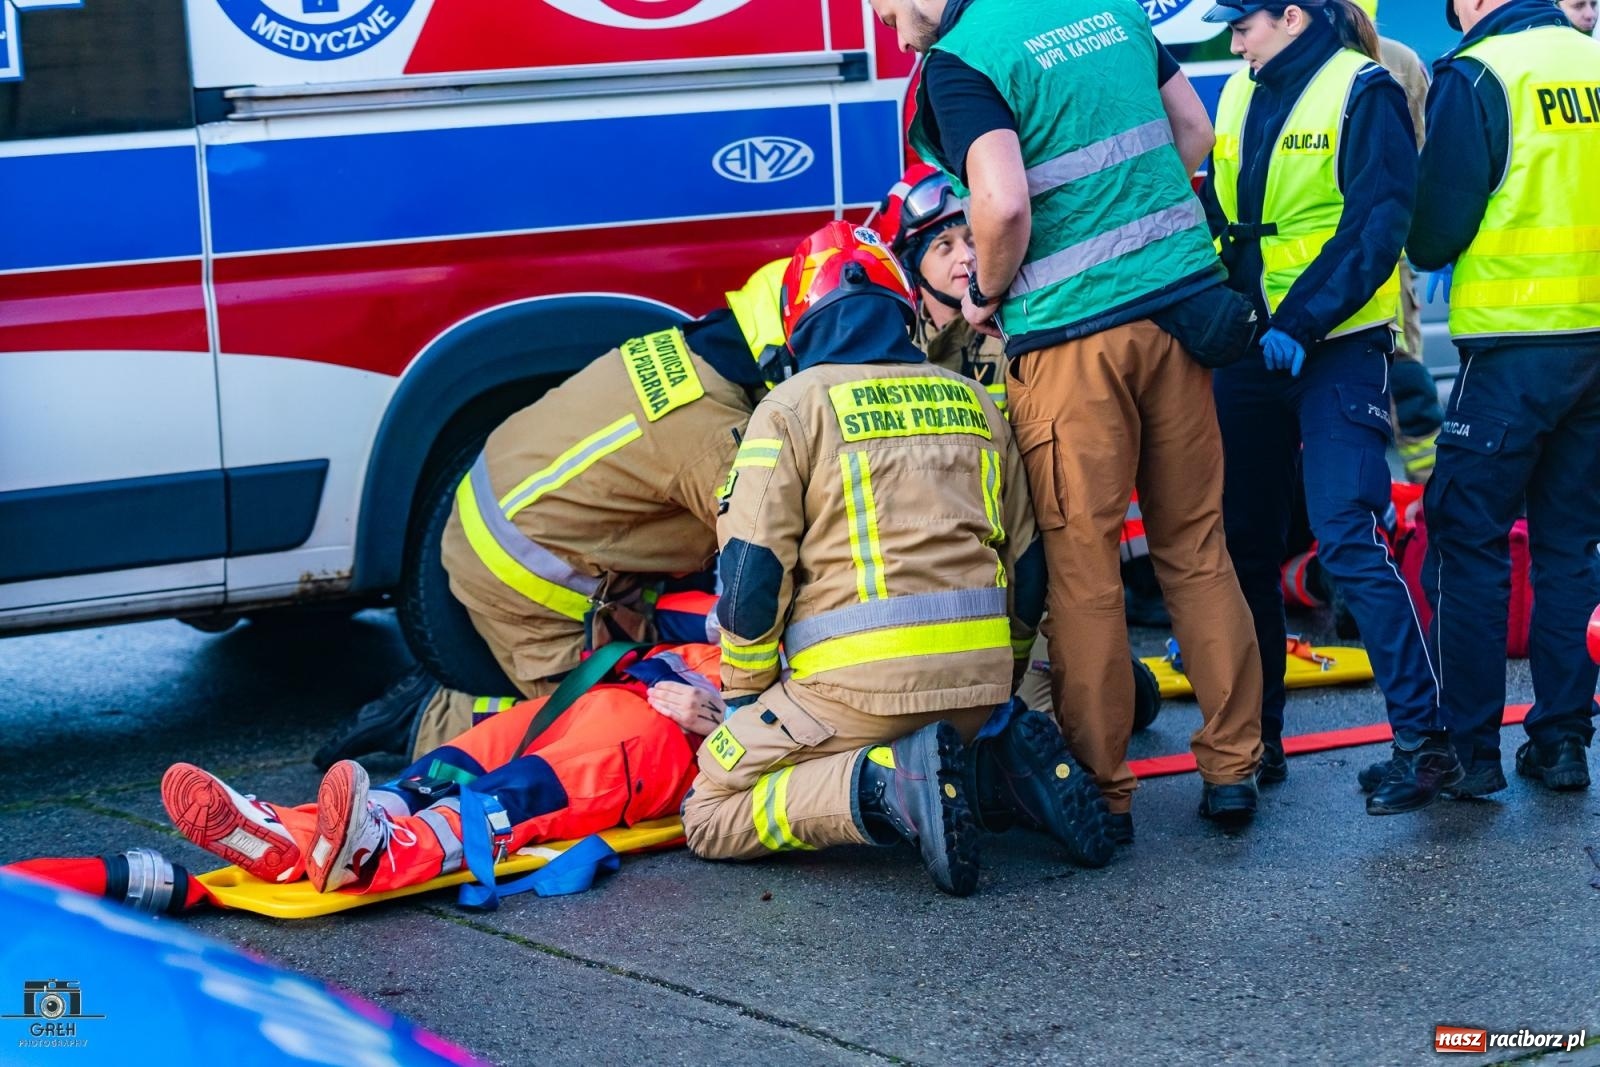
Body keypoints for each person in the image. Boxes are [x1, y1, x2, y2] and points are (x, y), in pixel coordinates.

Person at [876, 0, 1265, 837]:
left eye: (882, 7)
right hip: (1178, 315)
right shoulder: (1112, 9)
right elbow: (1193, 130)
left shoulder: (963, 59)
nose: (889, 28)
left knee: (1085, 572)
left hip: (1068, 340)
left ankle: (1104, 790)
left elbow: (1003, 204)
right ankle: (1235, 766)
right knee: (1197, 549)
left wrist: (984, 295)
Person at [681, 221, 1113, 896]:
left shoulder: (790, 407)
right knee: (947, 736)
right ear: (903, 309)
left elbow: (750, 571)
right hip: (980, 689)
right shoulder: (974, 400)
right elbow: (1028, 567)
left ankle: (884, 786)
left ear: (800, 324)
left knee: (708, 810)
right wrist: (1000, 680)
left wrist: (744, 694)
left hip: (850, 695)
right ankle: (993, 772)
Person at [315, 263, 787, 768]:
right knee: (622, 729)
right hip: (527, 589)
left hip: (498, 531)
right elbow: (777, 560)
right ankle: (431, 717)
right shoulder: (716, 440)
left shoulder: (686, 350)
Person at [1198, 1, 1459, 815]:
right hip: (1254, 346)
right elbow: (1225, 217)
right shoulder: (1239, 89)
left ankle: (1424, 744)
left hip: (1337, 343)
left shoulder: (1362, 89)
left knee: (1346, 536)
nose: (1233, 40)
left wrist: (1302, 320)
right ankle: (1257, 742)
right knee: (1244, 546)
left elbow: (1378, 226)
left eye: (1243, 24)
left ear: (1292, 17)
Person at [1401, 0, 1600, 793]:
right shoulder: (1591, 61)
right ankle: (1563, 741)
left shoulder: (1482, 72)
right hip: (1595, 343)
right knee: (1569, 545)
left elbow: (1434, 234)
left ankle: (1470, 750)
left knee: (1467, 533)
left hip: (1516, 345)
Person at [163, 643, 724, 893]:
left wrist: (730, 720)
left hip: (669, 740)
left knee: (520, 791)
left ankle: (383, 852)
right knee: (450, 766)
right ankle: (300, 838)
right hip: (614, 691)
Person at [1353, 0, 1448, 486]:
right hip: (1307, 269)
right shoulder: (1276, 60)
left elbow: (1427, 161)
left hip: (1389, 262)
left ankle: (1426, 502)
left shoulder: (1399, 62)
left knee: (1408, 387)